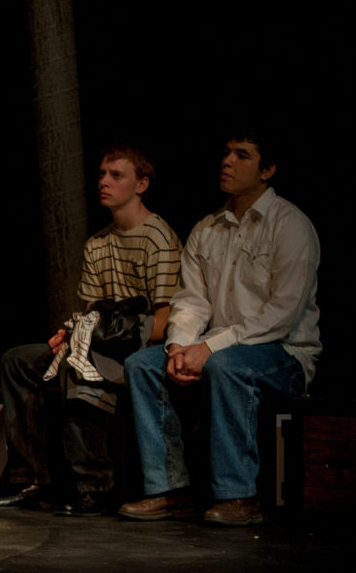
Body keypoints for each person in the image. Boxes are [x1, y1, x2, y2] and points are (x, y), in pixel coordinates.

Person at [119, 129, 320, 526]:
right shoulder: (208, 228)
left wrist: (210, 349)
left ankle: (239, 496)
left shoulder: (291, 225)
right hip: (219, 347)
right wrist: (178, 347)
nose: (227, 161)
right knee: (143, 364)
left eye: (242, 155)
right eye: (226, 153)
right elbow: (192, 300)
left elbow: (281, 314)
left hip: (284, 353)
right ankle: (169, 490)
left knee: (226, 367)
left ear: (268, 170)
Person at [0, 146, 182, 515]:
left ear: (141, 184)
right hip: (102, 339)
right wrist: (72, 333)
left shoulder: (158, 239)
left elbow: (167, 320)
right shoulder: (98, 243)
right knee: (18, 360)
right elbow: (92, 310)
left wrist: (100, 338)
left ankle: (94, 484)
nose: (104, 182)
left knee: (79, 365)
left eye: (116, 175)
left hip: (138, 345)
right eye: (101, 174)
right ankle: (34, 480)